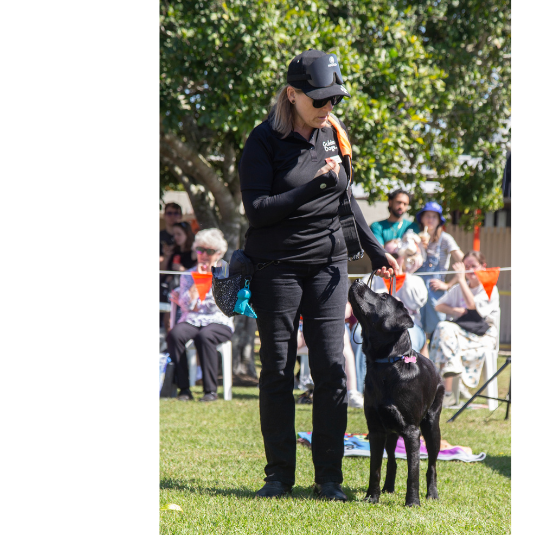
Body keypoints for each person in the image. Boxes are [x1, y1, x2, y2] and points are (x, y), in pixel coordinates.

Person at [238, 48, 399, 502]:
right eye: (320, 100)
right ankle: (278, 476)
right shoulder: (263, 141)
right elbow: (258, 211)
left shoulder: (335, 137)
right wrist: (315, 186)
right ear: (293, 95)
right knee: (276, 370)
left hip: (329, 269)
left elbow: (348, 202)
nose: (329, 108)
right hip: (278, 269)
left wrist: (374, 249)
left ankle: (329, 478)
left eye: (335, 100)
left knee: (331, 370)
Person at [163, 228, 234, 402]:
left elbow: (220, 306)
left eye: (209, 251)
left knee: (205, 336)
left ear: (218, 253)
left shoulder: (225, 272)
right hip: (192, 320)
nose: (203, 255)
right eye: (200, 250)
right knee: (175, 334)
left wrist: (196, 298)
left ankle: (210, 391)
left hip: (219, 322)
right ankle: (184, 389)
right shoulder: (189, 274)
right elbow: (187, 306)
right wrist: (197, 286)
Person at [427, 250, 500, 408]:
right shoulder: (460, 287)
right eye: (466, 266)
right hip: (463, 335)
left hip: (484, 336)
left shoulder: (489, 288)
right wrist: (454, 311)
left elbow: (472, 304)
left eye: (473, 266)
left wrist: (460, 280)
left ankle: (444, 389)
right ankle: (451, 382)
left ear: (483, 266)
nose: (469, 270)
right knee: (443, 328)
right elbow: (439, 305)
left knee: (444, 329)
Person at [413, 201, 464, 358]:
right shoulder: (414, 238)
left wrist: (448, 284)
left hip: (436, 291)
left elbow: (464, 262)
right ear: (422, 219)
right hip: (416, 290)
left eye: (434, 216)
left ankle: (437, 367)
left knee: (438, 328)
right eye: (427, 215)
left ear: (439, 220)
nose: (430, 219)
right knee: (417, 327)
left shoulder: (446, 239)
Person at [372, 231, 429, 352]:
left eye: (396, 255)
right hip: (377, 327)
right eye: (388, 254)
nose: (391, 259)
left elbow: (415, 304)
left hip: (409, 326)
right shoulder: (371, 278)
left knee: (408, 340)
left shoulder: (415, 279)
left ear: (403, 256)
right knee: (359, 337)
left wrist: (407, 276)